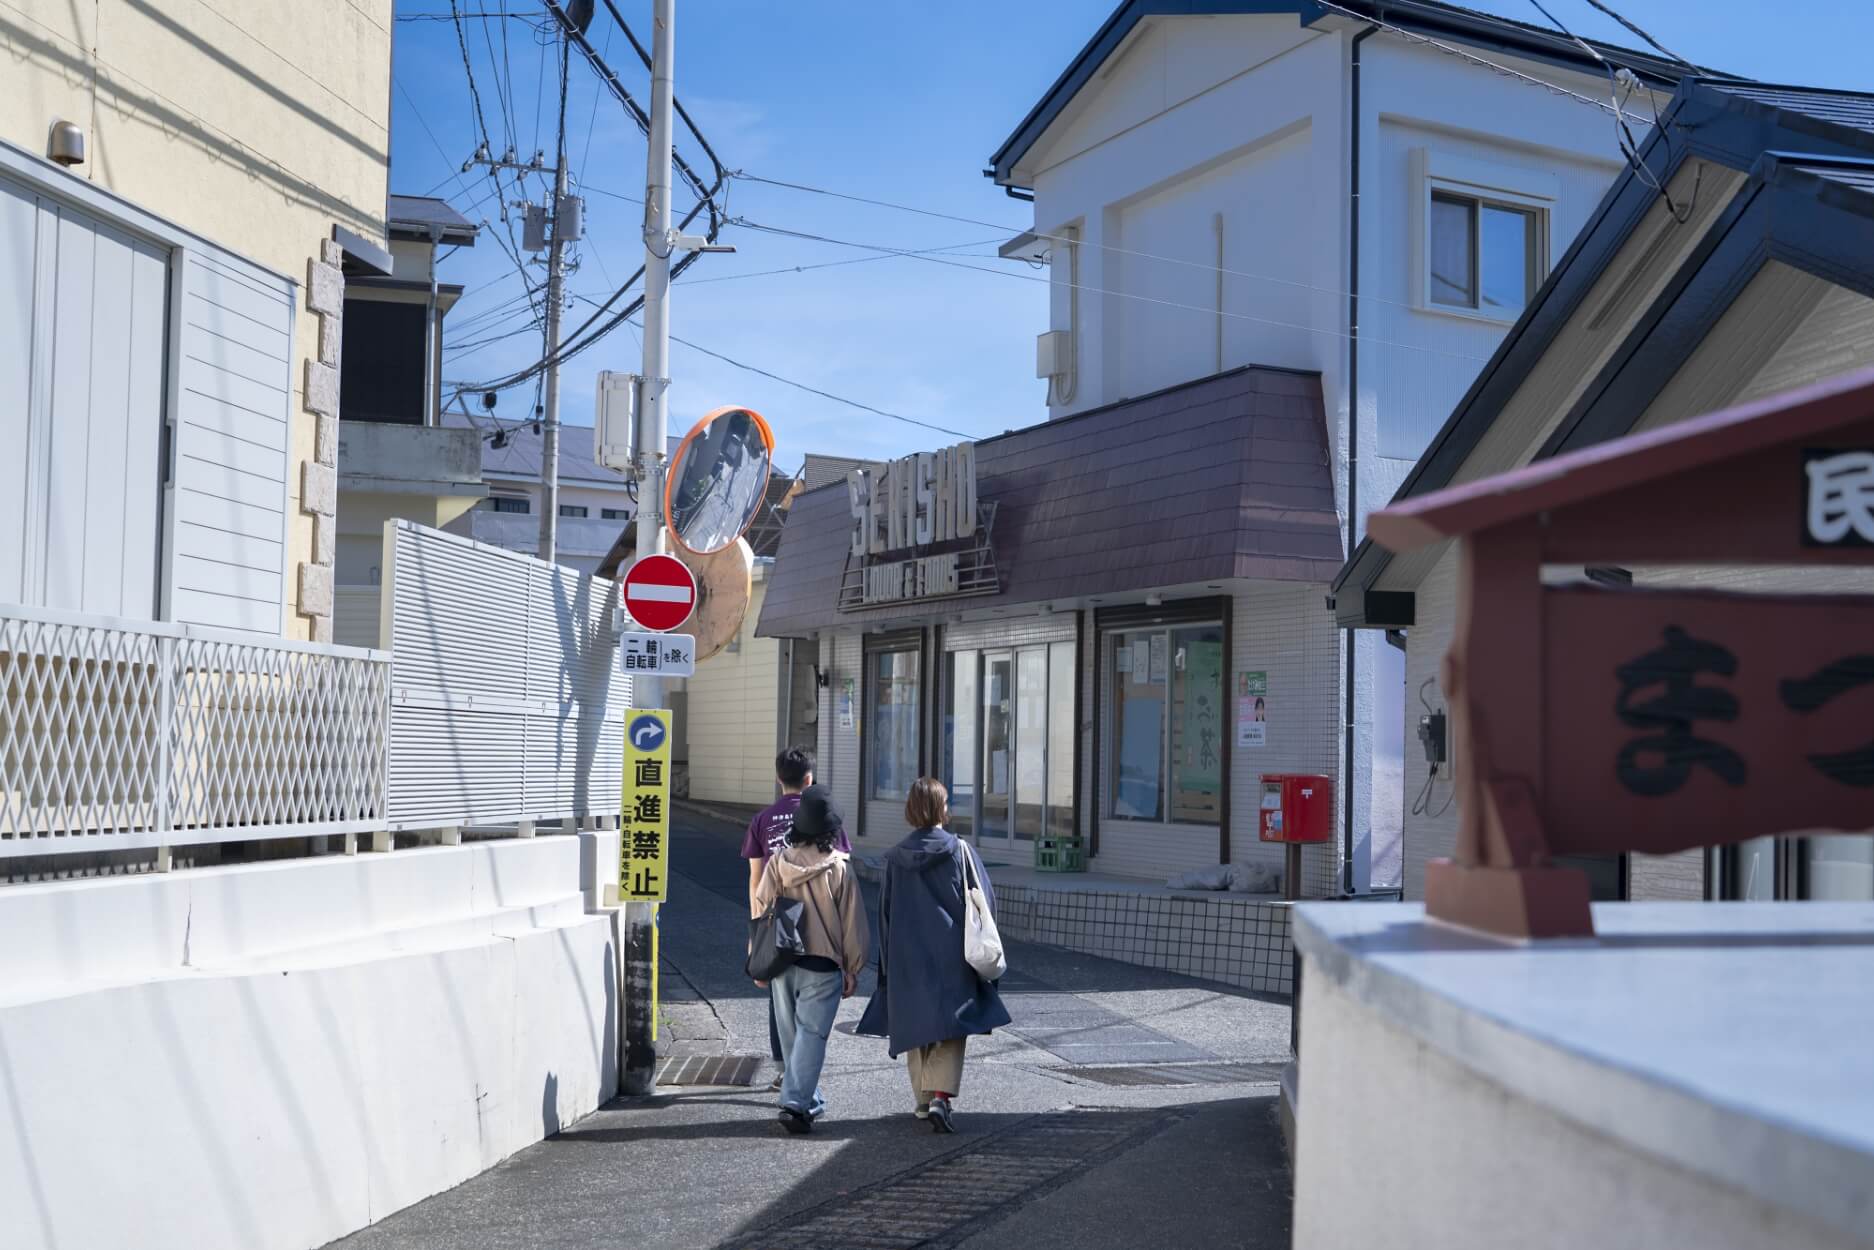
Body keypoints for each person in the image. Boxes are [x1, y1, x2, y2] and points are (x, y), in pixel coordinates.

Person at [856, 777, 1010, 1134]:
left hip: (907, 954)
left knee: (916, 1022)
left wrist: (886, 963)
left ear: (910, 810)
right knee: (952, 1024)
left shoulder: (895, 858)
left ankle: (924, 1100)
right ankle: (941, 1095)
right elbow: (984, 900)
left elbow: (885, 913)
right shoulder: (959, 851)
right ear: (943, 809)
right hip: (952, 952)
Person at [750, 785, 868, 1135]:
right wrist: (852, 967)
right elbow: (852, 924)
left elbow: (762, 908)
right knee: (812, 1037)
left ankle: (806, 1100)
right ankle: (795, 1104)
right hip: (822, 963)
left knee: (792, 1037)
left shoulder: (777, 863)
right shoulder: (839, 869)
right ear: (831, 830)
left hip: (782, 961)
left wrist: (758, 958)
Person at [743, 748, 851, 1090]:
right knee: (813, 1013)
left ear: (779, 779)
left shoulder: (762, 819)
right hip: (822, 928)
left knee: (780, 1002)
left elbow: (755, 881)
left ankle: (784, 1072)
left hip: (778, 924)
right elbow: (842, 875)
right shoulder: (826, 817)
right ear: (809, 779)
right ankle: (801, 1084)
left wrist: (756, 935)